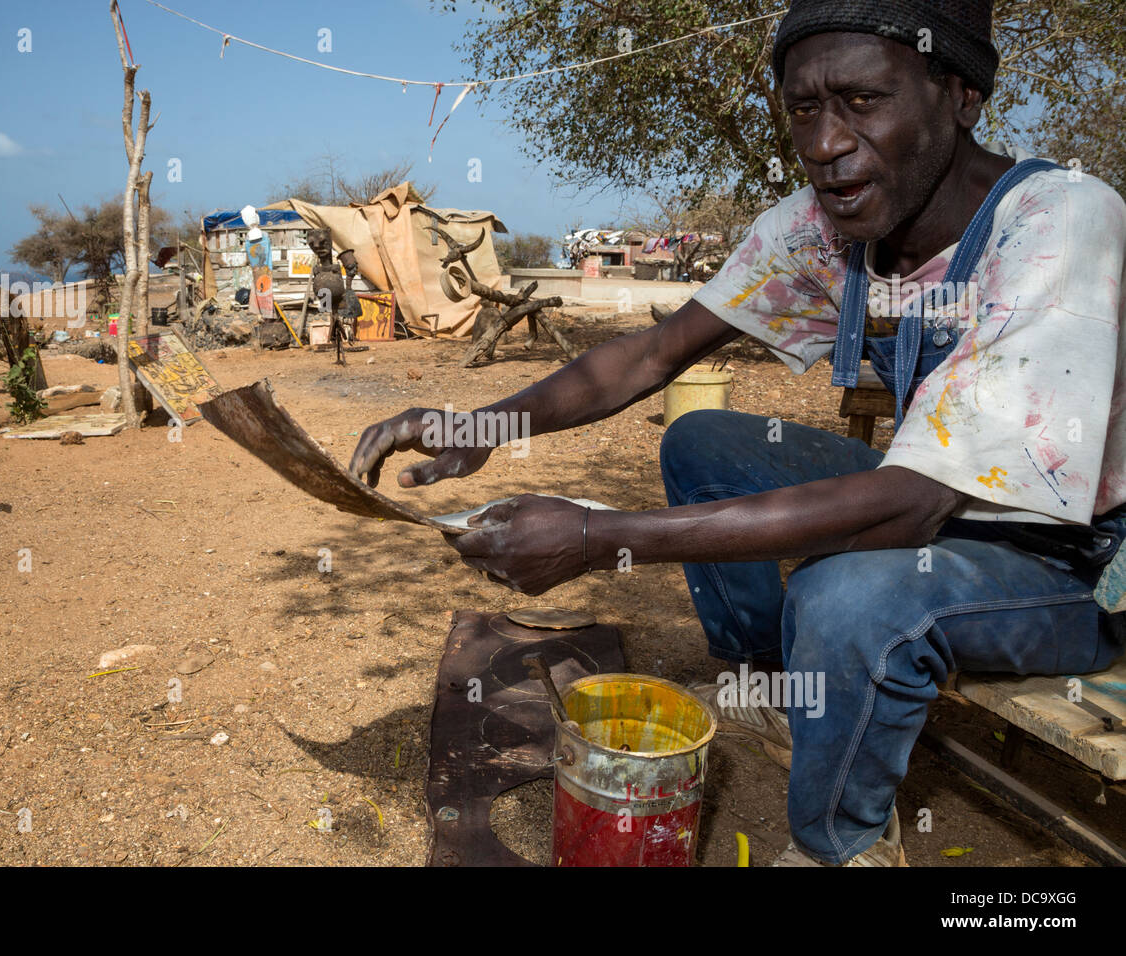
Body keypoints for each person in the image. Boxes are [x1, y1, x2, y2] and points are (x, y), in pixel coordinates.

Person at [349, 0, 1126, 866]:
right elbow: (650, 357)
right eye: (804, 109)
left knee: (851, 598)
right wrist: (485, 421)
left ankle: (846, 846)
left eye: (865, 102)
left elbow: (905, 510)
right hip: (940, 497)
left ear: (957, 94)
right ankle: (783, 691)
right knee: (704, 441)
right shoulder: (825, 226)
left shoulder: (1058, 223)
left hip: (1068, 562)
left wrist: (596, 539)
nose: (827, 143)